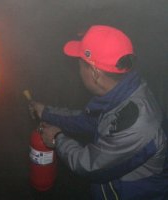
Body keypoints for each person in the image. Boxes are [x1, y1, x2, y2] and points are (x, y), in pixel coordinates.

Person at [30, 25, 168, 200]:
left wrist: (57, 139)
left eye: (79, 65)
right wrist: (46, 112)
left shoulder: (137, 122)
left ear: (95, 73)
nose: (78, 71)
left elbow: (91, 166)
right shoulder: (119, 94)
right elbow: (86, 120)